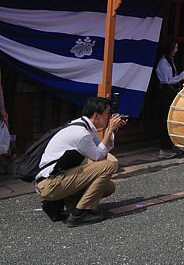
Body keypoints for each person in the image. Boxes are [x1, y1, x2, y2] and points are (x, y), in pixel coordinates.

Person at [35, 97, 127, 227]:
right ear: (96, 115)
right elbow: (99, 158)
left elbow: (102, 149)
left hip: (58, 178)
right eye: (107, 113)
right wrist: (109, 131)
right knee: (107, 166)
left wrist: (112, 131)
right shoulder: (81, 133)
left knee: (108, 187)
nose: (110, 117)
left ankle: (63, 204)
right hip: (50, 183)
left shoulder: (84, 126)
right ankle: (80, 214)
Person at [155, 39, 184, 158]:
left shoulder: (170, 59)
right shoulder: (163, 62)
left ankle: (171, 146)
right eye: (175, 48)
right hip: (166, 91)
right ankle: (164, 148)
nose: (176, 50)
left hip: (170, 91)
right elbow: (168, 80)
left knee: (172, 118)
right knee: (166, 119)